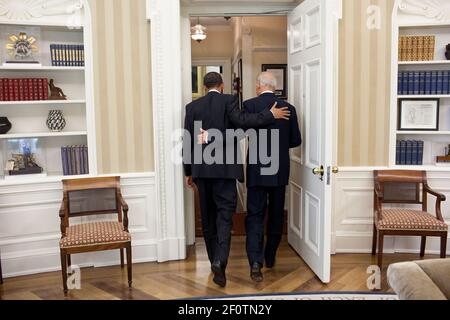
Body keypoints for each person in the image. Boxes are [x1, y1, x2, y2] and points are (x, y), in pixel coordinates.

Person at [183, 72, 291, 288]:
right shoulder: (230, 101)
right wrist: (270, 115)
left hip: (202, 172)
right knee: (224, 218)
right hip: (226, 173)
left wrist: (188, 172)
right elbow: (243, 125)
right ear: (222, 86)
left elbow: (187, 141)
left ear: (204, 87)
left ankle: (216, 261)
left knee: (208, 218)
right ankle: (220, 261)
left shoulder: (191, 108)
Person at [244, 72, 302, 282]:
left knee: (255, 216)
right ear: (275, 87)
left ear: (259, 86)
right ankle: (270, 257)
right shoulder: (289, 109)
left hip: (257, 170)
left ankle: (255, 263)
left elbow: (241, 131)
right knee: (276, 215)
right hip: (279, 170)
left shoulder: (249, 105)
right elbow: (296, 140)